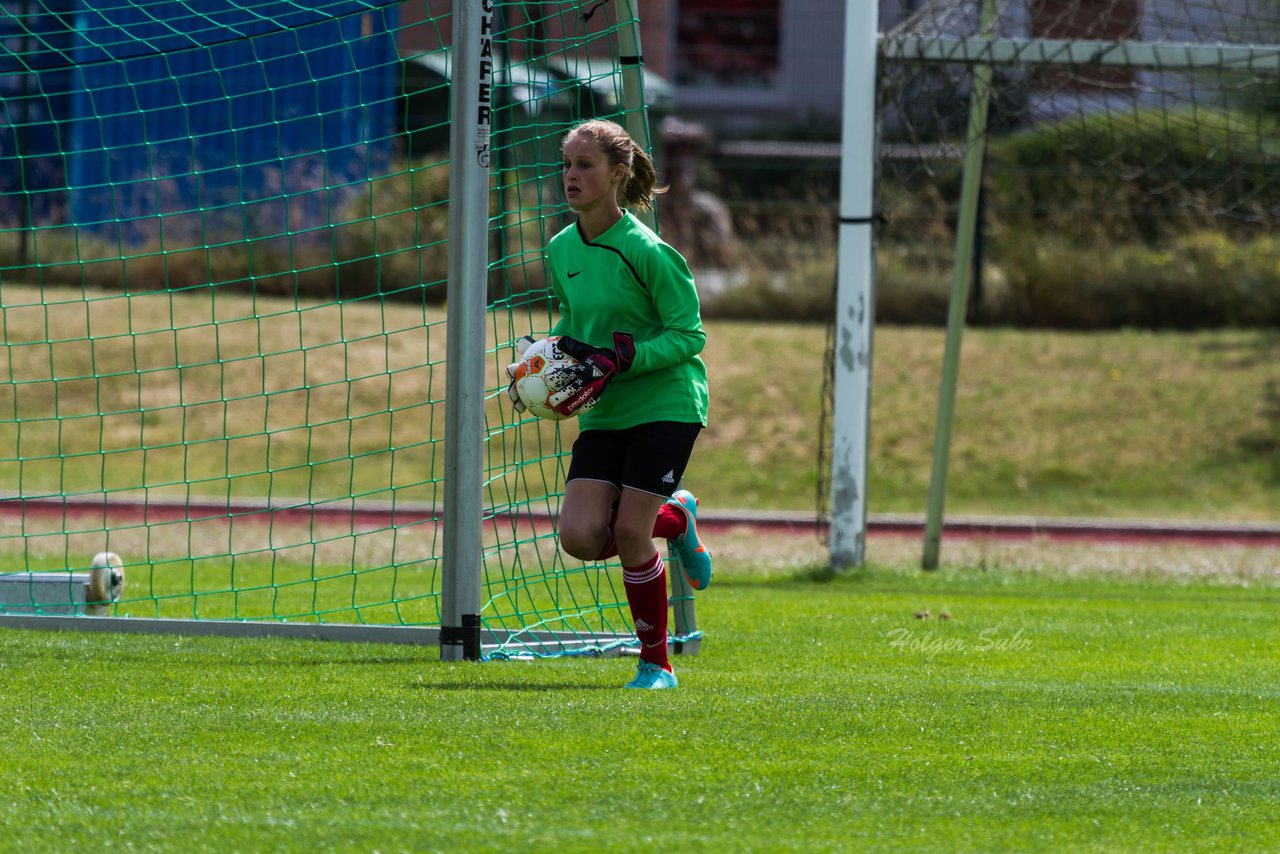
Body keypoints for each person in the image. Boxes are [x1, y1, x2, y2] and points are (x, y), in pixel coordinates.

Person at [507, 119, 712, 690]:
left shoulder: (648, 251)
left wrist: (625, 357)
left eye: (585, 165)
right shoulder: (561, 248)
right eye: (566, 164)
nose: (571, 175)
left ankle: (657, 666)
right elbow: (575, 325)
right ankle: (679, 518)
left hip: (667, 403)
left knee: (627, 534)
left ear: (618, 173)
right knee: (578, 536)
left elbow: (689, 336)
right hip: (606, 410)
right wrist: (540, 370)